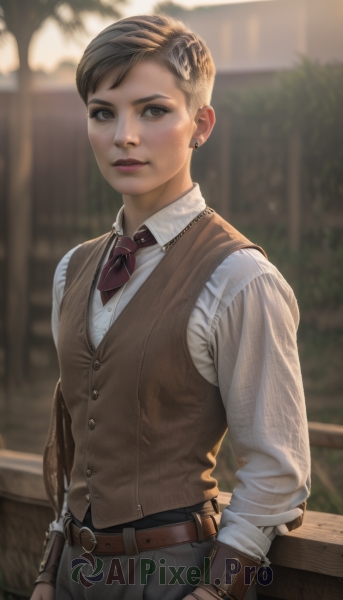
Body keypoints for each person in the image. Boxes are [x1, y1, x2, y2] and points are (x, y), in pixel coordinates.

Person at [31, 14, 311, 600]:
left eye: (153, 110)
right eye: (103, 112)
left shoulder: (240, 277)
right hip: (70, 577)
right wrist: (48, 570)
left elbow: (277, 471)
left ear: (200, 123)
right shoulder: (72, 269)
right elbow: (79, 446)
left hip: (173, 577)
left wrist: (214, 592)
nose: (123, 136)